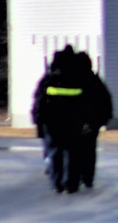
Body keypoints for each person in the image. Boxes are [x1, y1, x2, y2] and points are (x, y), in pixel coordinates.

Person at [31, 46, 86, 193]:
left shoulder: (48, 80)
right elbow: (88, 102)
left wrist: (37, 120)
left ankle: (57, 182)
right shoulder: (79, 80)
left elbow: (39, 102)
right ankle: (72, 183)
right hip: (74, 122)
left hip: (52, 123)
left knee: (56, 152)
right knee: (73, 153)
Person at [76, 51, 113, 188]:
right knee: (89, 150)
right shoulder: (95, 80)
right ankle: (88, 176)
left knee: (76, 149)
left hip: (76, 121)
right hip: (92, 122)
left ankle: (77, 174)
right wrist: (103, 119)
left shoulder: (73, 80)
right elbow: (105, 100)